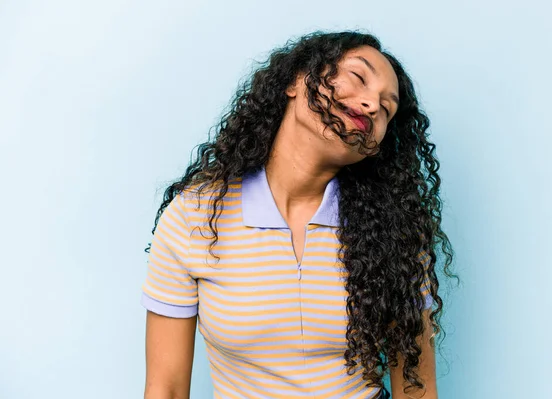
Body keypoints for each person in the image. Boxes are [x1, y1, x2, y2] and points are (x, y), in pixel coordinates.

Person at [141, 30, 455, 399]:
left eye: (387, 108)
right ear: (295, 80)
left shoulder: (395, 231)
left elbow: (416, 390)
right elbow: (167, 388)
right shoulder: (194, 216)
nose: (372, 103)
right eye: (357, 77)